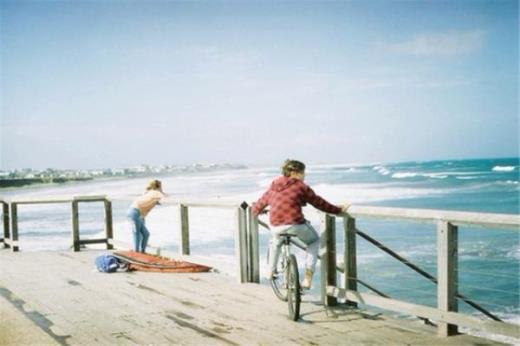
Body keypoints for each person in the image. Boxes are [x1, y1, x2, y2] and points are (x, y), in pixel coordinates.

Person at [252, 159, 349, 289]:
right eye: (303, 172)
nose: (304, 176)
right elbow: (319, 203)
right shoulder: (300, 186)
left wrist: (258, 210)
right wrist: (338, 210)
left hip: (276, 225)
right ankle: (308, 279)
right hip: (296, 224)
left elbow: (259, 204)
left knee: (275, 240)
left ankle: (271, 271)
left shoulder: (273, 186)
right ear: (295, 172)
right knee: (313, 242)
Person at [127, 179, 166, 253]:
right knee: (136, 233)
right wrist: (161, 191)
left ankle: (142, 252)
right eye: (161, 186)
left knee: (146, 234)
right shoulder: (156, 192)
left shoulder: (149, 192)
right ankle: (136, 253)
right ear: (158, 186)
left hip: (136, 212)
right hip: (135, 212)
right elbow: (165, 197)